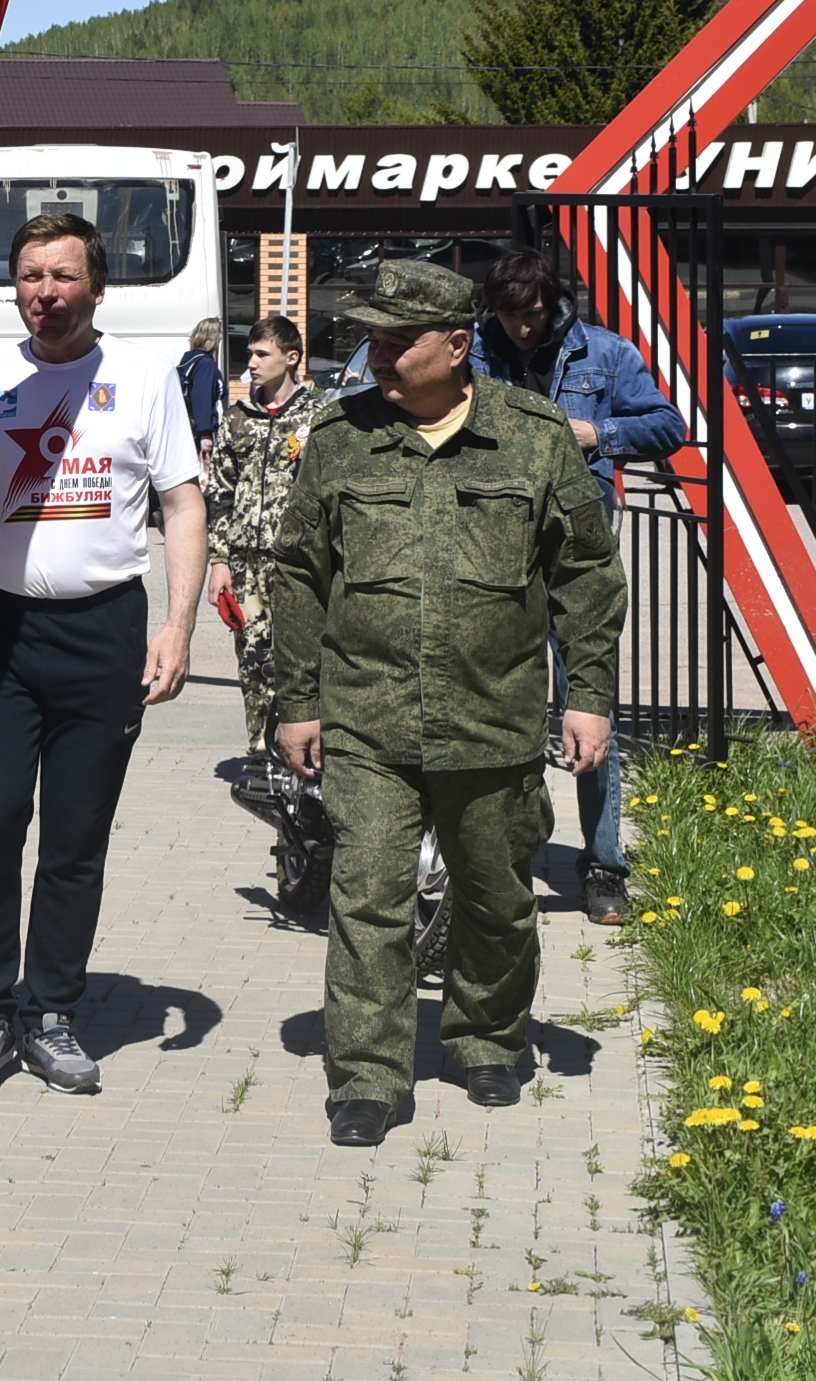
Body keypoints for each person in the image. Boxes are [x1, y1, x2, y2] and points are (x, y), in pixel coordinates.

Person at [268, 259, 626, 1147]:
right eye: (371, 339)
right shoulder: (341, 438)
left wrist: (589, 697)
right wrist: (297, 700)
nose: (377, 356)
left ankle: (487, 1038)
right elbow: (299, 573)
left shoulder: (535, 438)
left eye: (398, 340)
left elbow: (585, 572)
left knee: (496, 897)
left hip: (493, 714)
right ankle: (367, 1072)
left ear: (458, 346)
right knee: (367, 895)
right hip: (368, 717)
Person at [0, 211, 207, 1099]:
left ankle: (51, 1011)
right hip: (4, 631)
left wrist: (178, 626)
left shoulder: (144, 378)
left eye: (63, 276)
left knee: (76, 837)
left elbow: (183, 506)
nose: (45, 292)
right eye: (31, 276)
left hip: (104, 632)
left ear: (98, 287)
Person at [471, 247, 686, 928]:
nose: (521, 331)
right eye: (508, 317)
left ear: (552, 302)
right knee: (492, 705)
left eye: (531, 316)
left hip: (576, 546)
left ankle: (602, 865)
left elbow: (669, 427)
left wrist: (600, 432)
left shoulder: (606, 353)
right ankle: (494, 858)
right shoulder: (472, 349)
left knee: (587, 702)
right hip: (490, 544)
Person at [204, 316, 317, 780]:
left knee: (300, 658)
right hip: (246, 563)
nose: (249, 364)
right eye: (249, 355)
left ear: (291, 358)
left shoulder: (318, 418)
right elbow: (219, 493)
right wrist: (218, 561)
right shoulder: (238, 418)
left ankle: (304, 751)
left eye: (260, 355)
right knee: (253, 658)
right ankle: (260, 751)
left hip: (299, 563)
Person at [177, 317, 226, 474]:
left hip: (188, 431)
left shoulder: (187, 362)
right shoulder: (205, 364)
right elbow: (202, 399)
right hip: (203, 433)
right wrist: (206, 434)